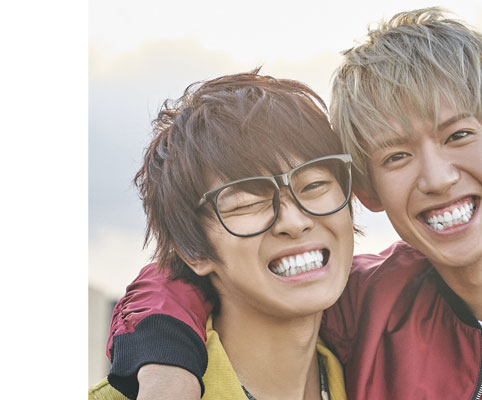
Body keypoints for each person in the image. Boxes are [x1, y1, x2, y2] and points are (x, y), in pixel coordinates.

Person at [99, 8, 482, 400]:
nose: (437, 178)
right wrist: (166, 361)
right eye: (396, 156)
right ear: (366, 191)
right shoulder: (370, 304)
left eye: (457, 135)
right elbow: (185, 274)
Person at [89, 72, 354, 400]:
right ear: (193, 251)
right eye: (247, 203)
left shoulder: (377, 372)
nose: (294, 221)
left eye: (314, 185)